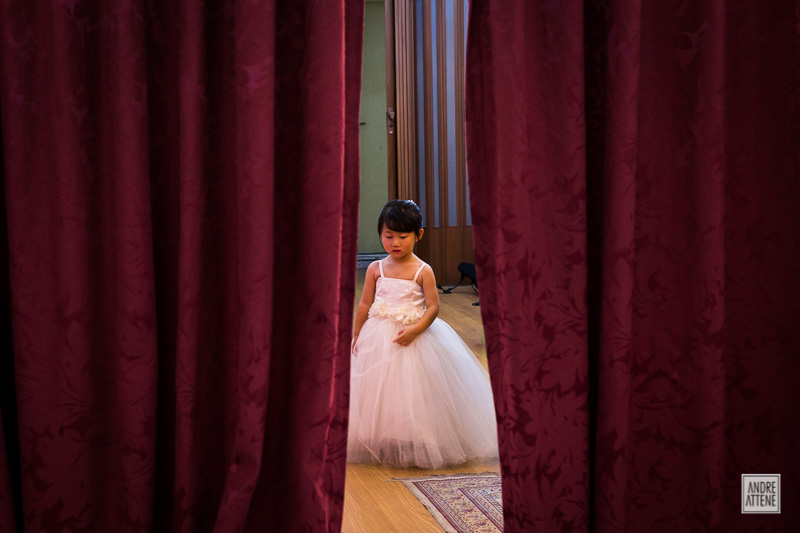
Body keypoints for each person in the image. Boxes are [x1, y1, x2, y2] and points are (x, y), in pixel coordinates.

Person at [347, 199, 498, 469]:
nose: (394, 243)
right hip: (378, 336)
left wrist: (416, 329)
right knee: (378, 387)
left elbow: (433, 307)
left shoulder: (422, 270)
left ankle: (415, 436)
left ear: (418, 235)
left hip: (414, 337)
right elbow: (364, 303)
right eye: (388, 235)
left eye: (403, 237)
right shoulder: (375, 269)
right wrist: (357, 332)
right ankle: (383, 435)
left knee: (413, 389)